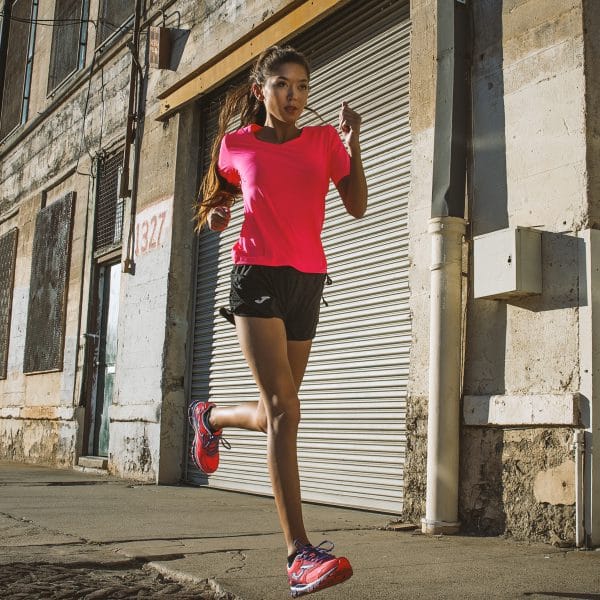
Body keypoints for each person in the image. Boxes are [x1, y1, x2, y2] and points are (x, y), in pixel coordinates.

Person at [190, 44, 367, 597]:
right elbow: (220, 200)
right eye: (283, 85)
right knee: (286, 408)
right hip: (256, 278)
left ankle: (211, 415)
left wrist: (354, 143)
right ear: (259, 91)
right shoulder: (236, 144)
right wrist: (219, 215)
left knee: (275, 417)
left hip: (308, 281)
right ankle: (298, 554)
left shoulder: (324, 142)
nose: (294, 96)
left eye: (302, 86)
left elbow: (357, 205)